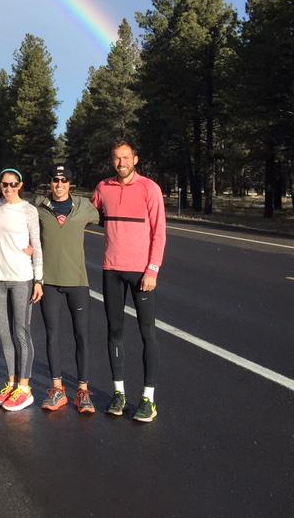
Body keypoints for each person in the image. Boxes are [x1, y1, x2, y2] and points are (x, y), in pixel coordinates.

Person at [92, 140, 166, 423]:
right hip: (111, 269)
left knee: (147, 333)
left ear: (135, 159)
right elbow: (88, 215)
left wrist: (152, 270)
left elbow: (159, 233)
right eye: (116, 158)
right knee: (114, 331)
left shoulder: (150, 188)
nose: (121, 163)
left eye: (126, 158)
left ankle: (148, 398)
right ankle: (118, 393)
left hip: (141, 273)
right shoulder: (103, 188)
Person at [36, 164, 100, 413]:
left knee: (81, 335)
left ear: (70, 183)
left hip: (77, 281)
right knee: (52, 334)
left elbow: (110, 217)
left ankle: (82, 391)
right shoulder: (39, 207)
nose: (59, 185)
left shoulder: (84, 207)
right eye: (55, 180)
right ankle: (57, 389)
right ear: (50, 182)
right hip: (49, 281)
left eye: (64, 180)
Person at [0, 168, 43, 412]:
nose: (8, 189)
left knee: (21, 332)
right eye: (4, 184)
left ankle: (25, 387)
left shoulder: (28, 210)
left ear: (20, 185)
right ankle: (11, 384)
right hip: (0, 278)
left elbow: (37, 245)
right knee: (3, 332)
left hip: (22, 278)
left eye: (13, 184)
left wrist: (38, 279)